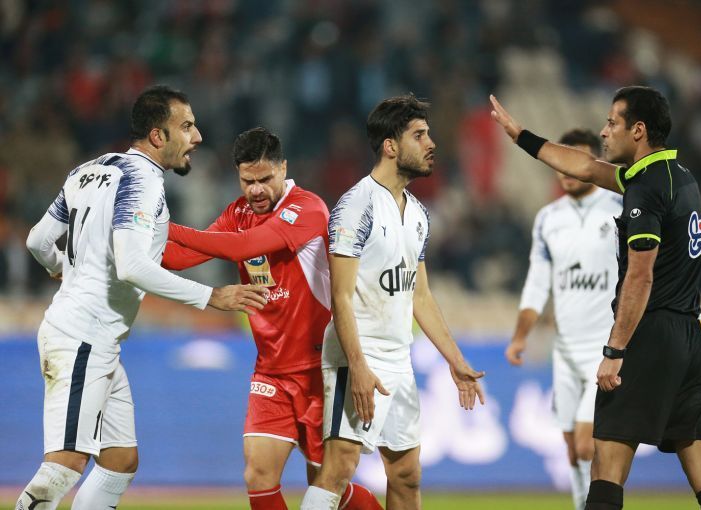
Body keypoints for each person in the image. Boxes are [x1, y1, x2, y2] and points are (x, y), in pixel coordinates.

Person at [18, 85, 268, 510]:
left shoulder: (88, 170)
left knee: (120, 461)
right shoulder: (144, 181)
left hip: (94, 339)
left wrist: (63, 268)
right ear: (157, 136)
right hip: (82, 338)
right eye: (186, 127)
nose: (197, 137)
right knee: (65, 465)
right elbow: (132, 266)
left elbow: (38, 240)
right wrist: (212, 296)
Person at [490, 87, 701, 510]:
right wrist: (522, 137)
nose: (603, 132)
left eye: (612, 123)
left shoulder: (645, 188)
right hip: (692, 338)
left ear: (637, 130)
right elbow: (587, 167)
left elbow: (640, 276)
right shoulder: (680, 176)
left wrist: (615, 350)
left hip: (651, 334)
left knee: (605, 465)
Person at [162, 127, 382, 510]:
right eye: (248, 181)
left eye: (265, 179)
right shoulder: (238, 213)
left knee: (326, 482)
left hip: (321, 368)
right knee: (258, 474)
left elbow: (245, 246)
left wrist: (164, 226)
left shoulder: (308, 208)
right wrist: (125, 242)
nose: (256, 190)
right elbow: (180, 258)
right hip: (271, 371)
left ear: (283, 168)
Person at [300, 94, 486, 510]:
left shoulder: (418, 213)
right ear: (390, 145)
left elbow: (420, 294)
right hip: (358, 355)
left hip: (399, 359)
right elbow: (340, 297)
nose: (431, 143)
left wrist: (455, 360)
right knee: (339, 468)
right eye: (419, 135)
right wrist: (358, 366)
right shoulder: (356, 206)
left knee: (406, 473)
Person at [506, 128, 622, 510]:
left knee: (588, 444)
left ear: (593, 164)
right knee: (573, 449)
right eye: (561, 163)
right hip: (565, 350)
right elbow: (538, 283)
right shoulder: (548, 219)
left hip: (604, 349)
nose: (567, 171)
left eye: (575, 162)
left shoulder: (620, 209)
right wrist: (520, 336)